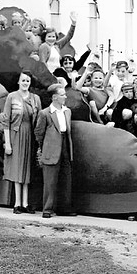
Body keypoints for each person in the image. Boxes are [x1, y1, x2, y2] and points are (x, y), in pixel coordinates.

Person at [2, 71, 41, 214]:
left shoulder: (35, 99)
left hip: (30, 136)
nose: (25, 83)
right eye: (23, 80)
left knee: (27, 169)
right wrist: (8, 143)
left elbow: (39, 120)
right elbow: (6, 120)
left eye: (28, 81)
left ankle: (26, 203)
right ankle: (17, 203)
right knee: (18, 168)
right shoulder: (11, 97)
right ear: (18, 82)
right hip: (16, 134)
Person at [35, 84, 76, 219]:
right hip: (51, 148)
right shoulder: (45, 113)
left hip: (65, 145)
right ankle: (47, 208)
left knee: (66, 178)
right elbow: (39, 133)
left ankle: (64, 207)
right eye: (62, 94)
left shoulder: (67, 111)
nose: (65, 96)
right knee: (50, 180)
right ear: (54, 97)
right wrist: (45, 146)